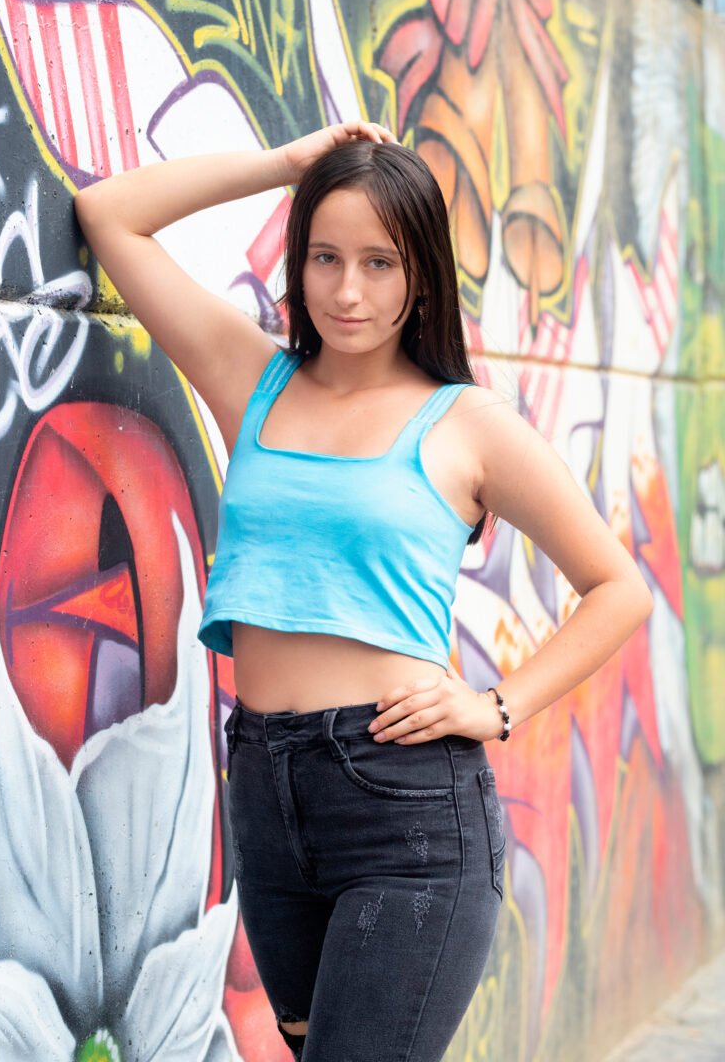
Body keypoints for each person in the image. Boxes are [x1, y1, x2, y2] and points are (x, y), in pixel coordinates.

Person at [74, 121, 653, 1062]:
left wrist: (496, 706)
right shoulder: (255, 382)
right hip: (265, 788)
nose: (348, 291)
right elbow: (109, 216)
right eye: (325, 258)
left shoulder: (468, 424)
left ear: (421, 274)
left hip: (406, 808)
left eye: (380, 263)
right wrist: (282, 165)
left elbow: (617, 587)